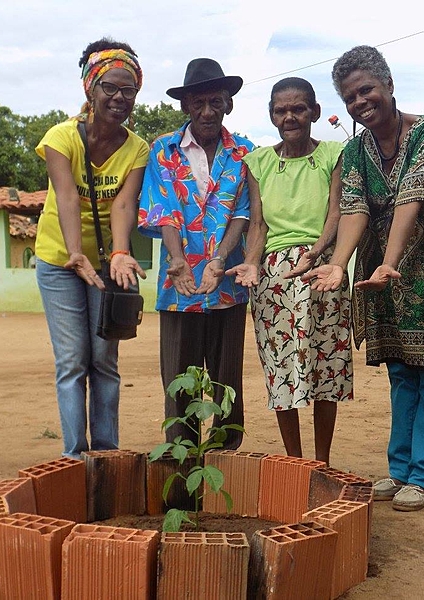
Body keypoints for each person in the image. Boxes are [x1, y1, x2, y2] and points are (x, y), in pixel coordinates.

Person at [303, 46, 424, 510]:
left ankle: (423, 474)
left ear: (389, 86)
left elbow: (411, 200)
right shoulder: (356, 149)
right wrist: (340, 263)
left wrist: (390, 261)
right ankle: (399, 469)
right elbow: (354, 208)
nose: (360, 102)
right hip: (387, 274)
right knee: (402, 371)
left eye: (367, 90)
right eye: (350, 97)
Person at [226, 77, 353, 464]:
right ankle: (296, 461)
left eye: (298, 108)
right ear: (271, 115)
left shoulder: (334, 152)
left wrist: (316, 254)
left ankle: (322, 462)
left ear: (314, 111)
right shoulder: (259, 162)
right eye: (280, 110)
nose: (289, 116)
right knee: (282, 368)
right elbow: (258, 224)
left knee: (325, 367)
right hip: (275, 278)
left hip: (324, 271)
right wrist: (250, 262)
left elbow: (337, 209)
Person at [34, 38, 149, 459]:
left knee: (104, 360)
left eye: (129, 90)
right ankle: (74, 457)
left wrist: (119, 252)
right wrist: (73, 253)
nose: (120, 98)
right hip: (59, 261)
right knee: (72, 362)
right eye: (110, 88)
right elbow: (65, 197)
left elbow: (123, 202)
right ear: (90, 88)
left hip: (103, 264)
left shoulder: (137, 148)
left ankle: (105, 453)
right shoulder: (60, 137)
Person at [138, 58, 253, 450]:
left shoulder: (244, 153)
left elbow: (243, 211)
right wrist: (176, 261)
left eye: (216, 102)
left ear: (228, 105)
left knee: (226, 384)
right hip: (179, 288)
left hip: (228, 288)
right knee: (179, 385)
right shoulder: (163, 150)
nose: (208, 111)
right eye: (199, 102)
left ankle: (225, 470)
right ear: (186, 105)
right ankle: (182, 476)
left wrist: (219, 260)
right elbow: (162, 208)